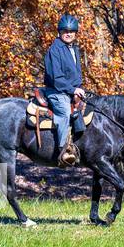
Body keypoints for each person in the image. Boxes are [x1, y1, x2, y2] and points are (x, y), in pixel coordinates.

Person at [43, 14, 86, 165]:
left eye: (71, 31)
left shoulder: (74, 49)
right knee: (64, 112)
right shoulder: (54, 50)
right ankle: (64, 152)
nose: (68, 34)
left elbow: (76, 74)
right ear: (59, 32)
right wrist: (72, 90)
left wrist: (79, 88)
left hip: (71, 90)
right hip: (56, 91)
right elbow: (57, 78)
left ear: (75, 33)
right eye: (65, 31)